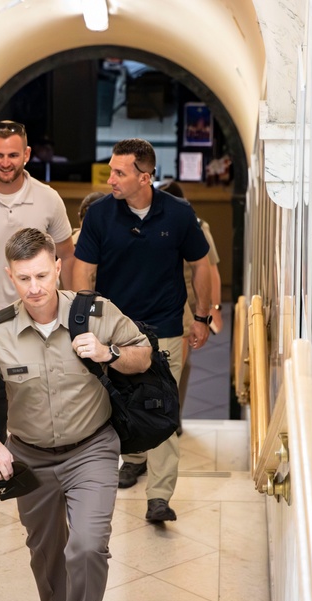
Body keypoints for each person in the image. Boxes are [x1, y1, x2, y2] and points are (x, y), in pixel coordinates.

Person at [0, 228, 151, 601]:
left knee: (85, 547)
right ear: (10, 276)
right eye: (24, 278)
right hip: (29, 458)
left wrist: (108, 353)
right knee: (46, 554)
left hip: (92, 449)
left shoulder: (97, 313)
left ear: (58, 267)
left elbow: (143, 353)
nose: (36, 288)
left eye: (43, 275)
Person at [73, 138, 212, 523]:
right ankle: (132, 460)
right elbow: (82, 268)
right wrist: (84, 319)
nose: (111, 178)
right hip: (116, 327)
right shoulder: (100, 215)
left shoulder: (179, 214)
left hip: (165, 324)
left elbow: (202, 265)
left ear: (145, 176)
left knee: (162, 404)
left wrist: (201, 316)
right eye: (112, 170)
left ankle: (160, 497)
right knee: (121, 399)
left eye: (120, 172)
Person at [0, 120, 76, 445]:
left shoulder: (49, 199)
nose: (6, 162)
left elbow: (68, 257)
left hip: (41, 323)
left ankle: (36, 471)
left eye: (13, 155)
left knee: (38, 410)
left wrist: (72, 312)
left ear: (27, 154)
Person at [157, 181, 223, 417]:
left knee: (181, 360)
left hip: (190, 303)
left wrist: (213, 308)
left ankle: (175, 415)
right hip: (165, 299)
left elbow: (211, 269)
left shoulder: (197, 226)